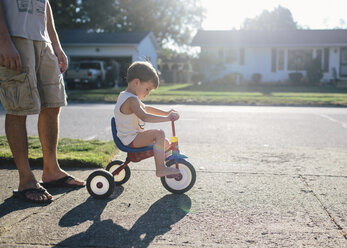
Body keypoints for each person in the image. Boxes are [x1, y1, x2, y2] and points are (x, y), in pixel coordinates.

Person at [0, 0, 85, 204]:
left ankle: (51, 171)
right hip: (14, 36)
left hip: (42, 39)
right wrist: (3, 41)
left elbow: (45, 3)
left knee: (53, 103)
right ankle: (26, 180)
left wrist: (55, 44)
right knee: (19, 107)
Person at [114, 61, 181, 177]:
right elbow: (145, 116)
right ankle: (161, 169)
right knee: (159, 134)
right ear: (136, 82)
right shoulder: (131, 100)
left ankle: (168, 165)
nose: (148, 93)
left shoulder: (129, 97)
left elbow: (147, 109)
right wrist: (167, 118)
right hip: (130, 140)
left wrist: (166, 112)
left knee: (165, 143)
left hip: (133, 137)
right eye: (147, 89)